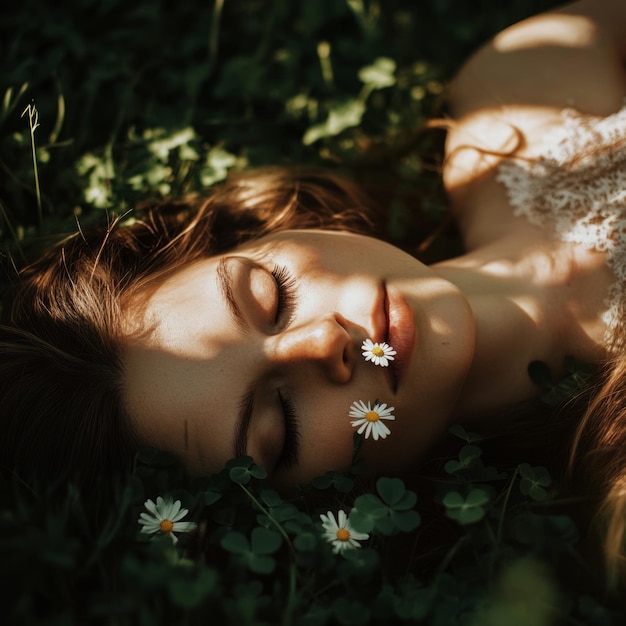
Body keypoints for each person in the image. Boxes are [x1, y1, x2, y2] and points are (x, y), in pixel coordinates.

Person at [1, 0, 626, 583]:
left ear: (269, 229)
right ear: (334, 504)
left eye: (271, 296)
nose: (324, 342)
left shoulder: (521, 87)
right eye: (283, 430)